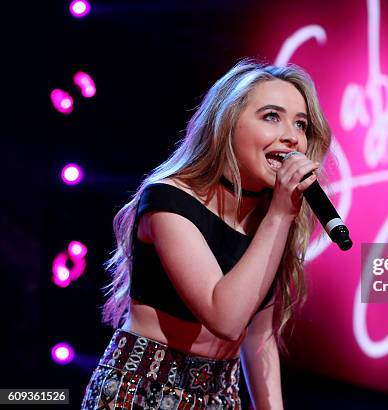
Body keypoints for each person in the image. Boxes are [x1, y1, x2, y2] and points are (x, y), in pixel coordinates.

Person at [81, 59, 332, 409]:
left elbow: (256, 335)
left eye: (301, 124)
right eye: (271, 116)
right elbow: (225, 319)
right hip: (141, 391)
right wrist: (280, 215)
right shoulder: (168, 200)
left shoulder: (268, 218)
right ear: (226, 124)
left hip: (219, 396)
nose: (292, 136)